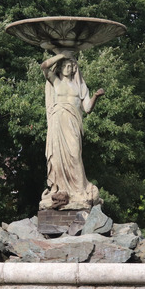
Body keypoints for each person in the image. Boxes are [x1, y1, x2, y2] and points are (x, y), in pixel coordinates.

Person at [39, 53, 104, 210]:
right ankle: (62, 190)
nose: (69, 68)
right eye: (65, 66)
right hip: (58, 122)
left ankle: (79, 190)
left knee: (74, 155)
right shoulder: (56, 81)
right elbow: (44, 66)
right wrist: (61, 55)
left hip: (73, 122)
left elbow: (87, 108)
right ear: (61, 68)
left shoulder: (80, 86)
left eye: (71, 66)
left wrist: (95, 96)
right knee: (58, 157)